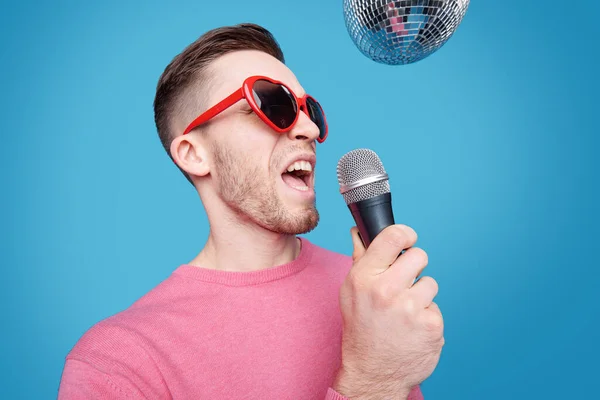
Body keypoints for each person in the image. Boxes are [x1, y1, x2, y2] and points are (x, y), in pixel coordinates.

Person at [57, 23, 444, 399]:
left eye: (309, 109)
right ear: (194, 154)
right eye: (272, 104)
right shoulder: (119, 365)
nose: (308, 128)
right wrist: (372, 381)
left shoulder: (370, 293)